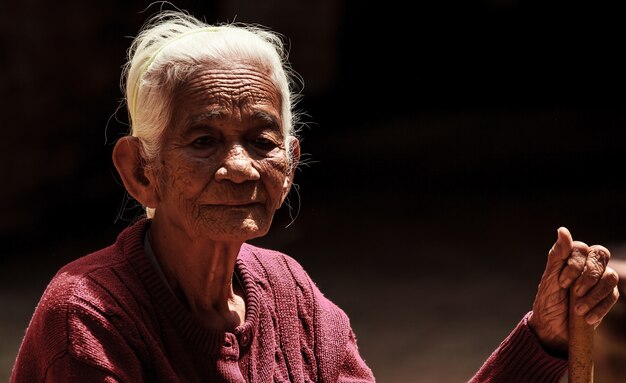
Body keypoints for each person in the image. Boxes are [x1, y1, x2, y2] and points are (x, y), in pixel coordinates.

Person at [10, 9, 619, 383]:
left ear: (292, 162)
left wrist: (544, 339)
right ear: (140, 171)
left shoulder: (290, 296)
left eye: (261, 140)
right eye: (203, 140)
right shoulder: (87, 317)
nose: (240, 168)